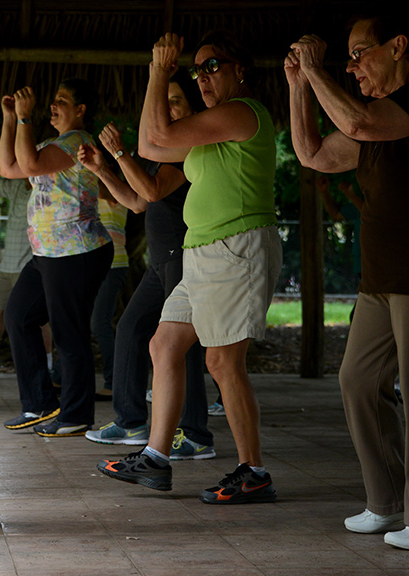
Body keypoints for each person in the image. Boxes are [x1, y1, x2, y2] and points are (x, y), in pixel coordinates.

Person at [285, 6, 409, 550]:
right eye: (344, 60)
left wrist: (317, 71)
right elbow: (315, 154)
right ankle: (388, 502)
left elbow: (360, 123)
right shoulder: (371, 115)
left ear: (398, 46)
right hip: (381, 276)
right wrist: (300, 85)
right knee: (358, 381)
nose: (351, 67)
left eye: (359, 53)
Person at [98, 30, 281, 502]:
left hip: (235, 248)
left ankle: (254, 470)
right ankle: (156, 459)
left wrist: (161, 70)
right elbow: (152, 146)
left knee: (223, 361)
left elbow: (154, 138)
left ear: (241, 69)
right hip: (200, 252)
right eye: (196, 69)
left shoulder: (243, 113)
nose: (202, 76)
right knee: (164, 344)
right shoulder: (207, 131)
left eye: (212, 66)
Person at [78, 71, 216, 460]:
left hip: (184, 258)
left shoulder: (190, 147)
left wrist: (120, 154)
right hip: (161, 262)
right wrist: (102, 168)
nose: (169, 108)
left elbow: (153, 190)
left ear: (192, 108)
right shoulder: (159, 151)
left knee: (181, 348)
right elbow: (137, 201)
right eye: (165, 100)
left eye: (176, 101)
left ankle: (196, 435)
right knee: (130, 328)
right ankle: (131, 421)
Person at [0, 78, 113, 437]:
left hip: (77, 252)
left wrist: (25, 118)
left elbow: (30, 165)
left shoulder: (78, 141)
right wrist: (9, 120)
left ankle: (77, 414)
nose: (54, 104)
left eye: (62, 100)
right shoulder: (53, 144)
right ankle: (39, 403)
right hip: (48, 253)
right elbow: (9, 167)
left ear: (80, 110)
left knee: (68, 332)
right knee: (18, 315)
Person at [0, 134, 56, 376]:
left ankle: (46, 366)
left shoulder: (49, 186)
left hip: (32, 265)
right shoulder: (15, 185)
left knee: (39, 317)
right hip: (8, 266)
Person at [90, 195, 129, 401]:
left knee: (99, 324)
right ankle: (60, 377)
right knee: (80, 321)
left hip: (113, 266)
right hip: (93, 266)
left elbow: (110, 196)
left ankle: (114, 383)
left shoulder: (114, 191)